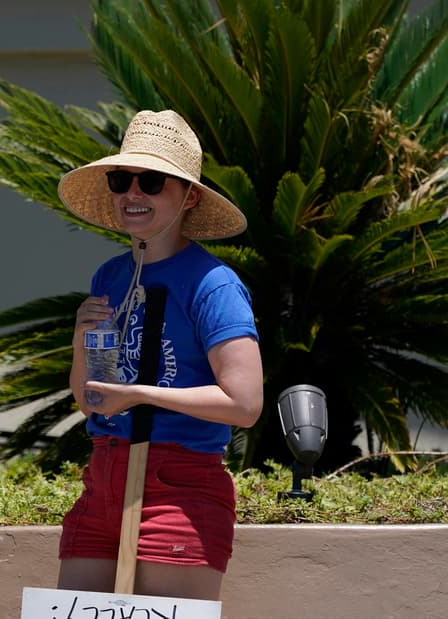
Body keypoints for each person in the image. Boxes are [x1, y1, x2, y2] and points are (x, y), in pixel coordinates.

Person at [55, 109, 263, 601]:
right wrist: (82, 345)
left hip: (181, 485)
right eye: (121, 179)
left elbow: (245, 405)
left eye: (152, 182)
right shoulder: (110, 274)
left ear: (189, 196)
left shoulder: (214, 285)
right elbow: (93, 400)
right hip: (103, 473)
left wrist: (139, 395)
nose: (133, 193)